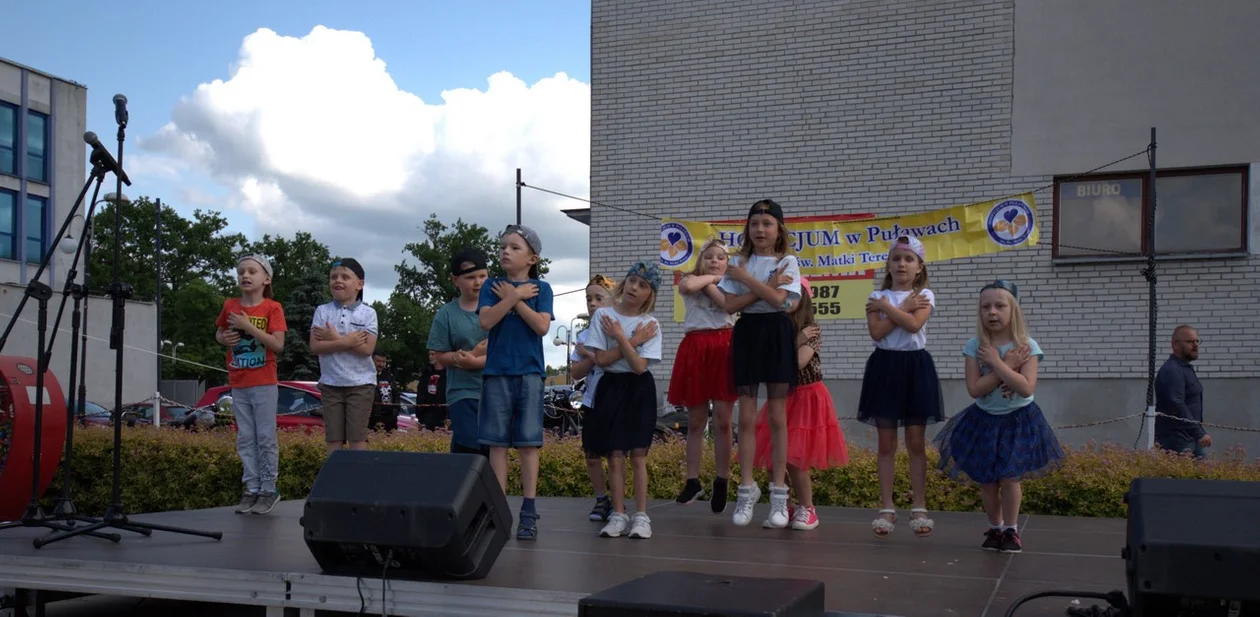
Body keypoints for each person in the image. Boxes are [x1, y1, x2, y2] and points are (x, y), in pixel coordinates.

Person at [934, 280, 1064, 553]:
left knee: (1010, 476)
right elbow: (975, 390)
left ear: (1013, 310)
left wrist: (996, 364)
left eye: (999, 306)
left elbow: (1026, 386)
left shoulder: (1027, 346)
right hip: (984, 420)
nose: (992, 312)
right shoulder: (975, 347)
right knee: (988, 480)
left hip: (1019, 419)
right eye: (986, 307)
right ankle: (995, 526)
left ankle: (1011, 530)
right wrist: (1004, 364)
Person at [719, 199, 801, 529]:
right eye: (755, 223)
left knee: (778, 416)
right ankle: (746, 488)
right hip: (748, 331)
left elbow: (782, 301)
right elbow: (729, 305)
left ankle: (779, 493)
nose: (760, 229)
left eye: (767, 223)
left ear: (778, 228)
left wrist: (751, 283)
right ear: (747, 229)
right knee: (748, 414)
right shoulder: (738, 262)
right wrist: (765, 286)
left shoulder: (788, 262)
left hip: (778, 333)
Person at [858, 235, 943, 538]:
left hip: (915, 367)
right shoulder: (875, 297)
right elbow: (878, 333)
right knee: (886, 443)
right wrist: (899, 307)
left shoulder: (925, 295)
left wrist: (895, 308)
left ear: (919, 267)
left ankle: (919, 505)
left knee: (916, 442)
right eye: (897, 258)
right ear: (889, 264)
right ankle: (886, 507)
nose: (902, 264)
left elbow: (913, 325)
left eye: (909, 259)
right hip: (885, 367)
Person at [752, 277, 848, 530]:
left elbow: (796, 364)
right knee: (775, 457)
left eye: (793, 296)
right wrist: (794, 341)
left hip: (807, 397)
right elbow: (767, 364)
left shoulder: (811, 330)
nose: (788, 301)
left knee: (795, 457)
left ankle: (808, 508)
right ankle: (783, 506)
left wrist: (799, 341)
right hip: (782, 396)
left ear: (803, 300)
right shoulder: (778, 332)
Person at [478, 225, 553, 541]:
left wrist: (517, 298)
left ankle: (529, 510)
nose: (505, 252)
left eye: (514, 247)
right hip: (497, 372)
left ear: (532, 257)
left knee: (527, 443)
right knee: (496, 443)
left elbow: (541, 326)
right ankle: (499, 509)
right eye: (502, 246)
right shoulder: (491, 286)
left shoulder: (541, 288)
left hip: (530, 373)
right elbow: (486, 321)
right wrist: (511, 297)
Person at [583, 261, 663, 539]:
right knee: (615, 455)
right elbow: (602, 360)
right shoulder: (603, 315)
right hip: (611, 387)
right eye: (632, 281)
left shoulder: (650, 324)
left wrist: (621, 337)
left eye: (642, 285)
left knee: (638, 455)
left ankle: (641, 516)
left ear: (649, 294)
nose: (634, 288)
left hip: (639, 389)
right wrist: (628, 340)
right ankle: (618, 513)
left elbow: (640, 366)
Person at [669, 238, 738, 513]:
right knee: (696, 420)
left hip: (723, 346)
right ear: (701, 260)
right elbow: (687, 286)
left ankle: (722, 479)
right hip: (696, 345)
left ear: (728, 262)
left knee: (723, 420)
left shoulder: (733, 285)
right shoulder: (691, 279)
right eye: (709, 256)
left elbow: (728, 306)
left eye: (720, 257)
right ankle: (693, 479)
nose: (714, 260)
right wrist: (712, 278)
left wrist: (715, 281)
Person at [215, 254, 288, 515]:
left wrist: (249, 326)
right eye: (241, 272)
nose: (245, 276)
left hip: (264, 381)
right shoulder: (230, 305)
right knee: (245, 437)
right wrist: (224, 339)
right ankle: (251, 487)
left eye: (252, 272)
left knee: (265, 437)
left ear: (265, 279)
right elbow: (219, 332)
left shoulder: (272, 308)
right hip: (238, 380)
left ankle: (269, 488)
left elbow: (278, 344)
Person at [310, 258, 379, 455]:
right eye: (333, 277)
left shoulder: (368, 313)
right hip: (331, 384)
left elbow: (367, 349)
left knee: (357, 437)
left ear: (359, 284)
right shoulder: (322, 312)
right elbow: (315, 346)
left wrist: (332, 338)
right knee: (333, 438)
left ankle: (358, 482)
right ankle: (335, 481)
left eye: (345, 277)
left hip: (360, 385)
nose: (338, 280)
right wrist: (347, 341)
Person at [427, 246, 490, 456]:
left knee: (492, 450)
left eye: (482, 276)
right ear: (455, 280)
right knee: (469, 446)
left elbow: (505, 349)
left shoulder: (499, 308)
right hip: (462, 392)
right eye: (471, 277)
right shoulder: (446, 314)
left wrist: (475, 361)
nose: (478, 282)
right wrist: (468, 357)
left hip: (495, 390)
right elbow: (439, 355)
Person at [569, 273, 617, 521]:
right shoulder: (584, 336)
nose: (593, 303)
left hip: (617, 400)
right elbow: (576, 372)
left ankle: (618, 502)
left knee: (616, 454)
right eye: (589, 299)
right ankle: (601, 499)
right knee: (592, 453)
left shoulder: (619, 330)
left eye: (599, 298)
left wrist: (591, 354)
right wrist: (588, 356)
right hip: (592, 400)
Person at [1154, 325, 1209, 459]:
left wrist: (1197, 433)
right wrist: (1199, 433)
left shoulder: (1184, 368)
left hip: (1190, 437)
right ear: (1175, 345)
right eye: (1190, 341)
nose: (1195, 345)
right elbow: (1176, 404)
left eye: (1197, 341)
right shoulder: (1172, 370)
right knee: (1181, 478)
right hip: (1177, 439)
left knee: (1204, 476)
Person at [369, 351, 399, 433]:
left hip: (390, 420)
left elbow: (396, 394)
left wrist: (395, 412)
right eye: (378, 361)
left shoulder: (389, 376)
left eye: (383, 361)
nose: (381, 364)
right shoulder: (367, 376)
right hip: (372, 420)